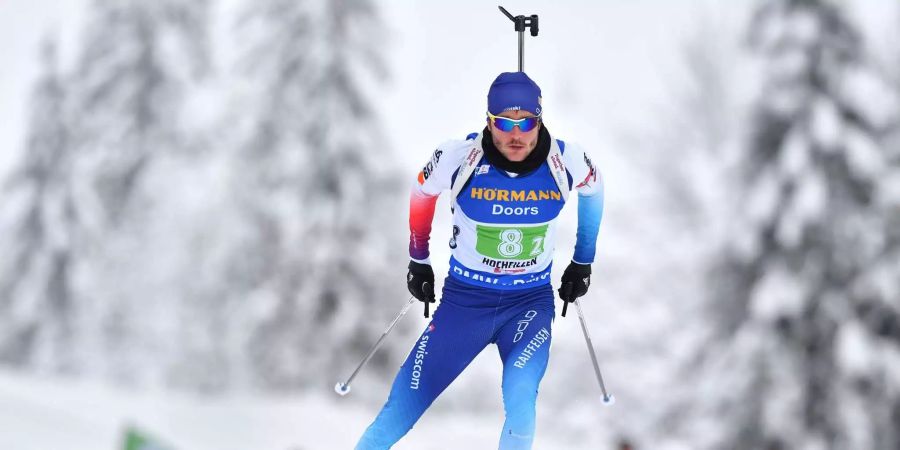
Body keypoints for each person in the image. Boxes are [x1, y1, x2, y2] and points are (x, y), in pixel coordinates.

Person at [355, 71, 604, 450]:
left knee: (522, 411)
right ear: (489, 121)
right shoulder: (459, 157)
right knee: (396, 414)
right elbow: (422, 191)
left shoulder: (564, 160)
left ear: (540, 119)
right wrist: (418, 258)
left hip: (528, 305)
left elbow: (595, 186)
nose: (515, 134)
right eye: (504, 123)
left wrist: (582, 261)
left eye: (526, 123)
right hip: (464, 305)